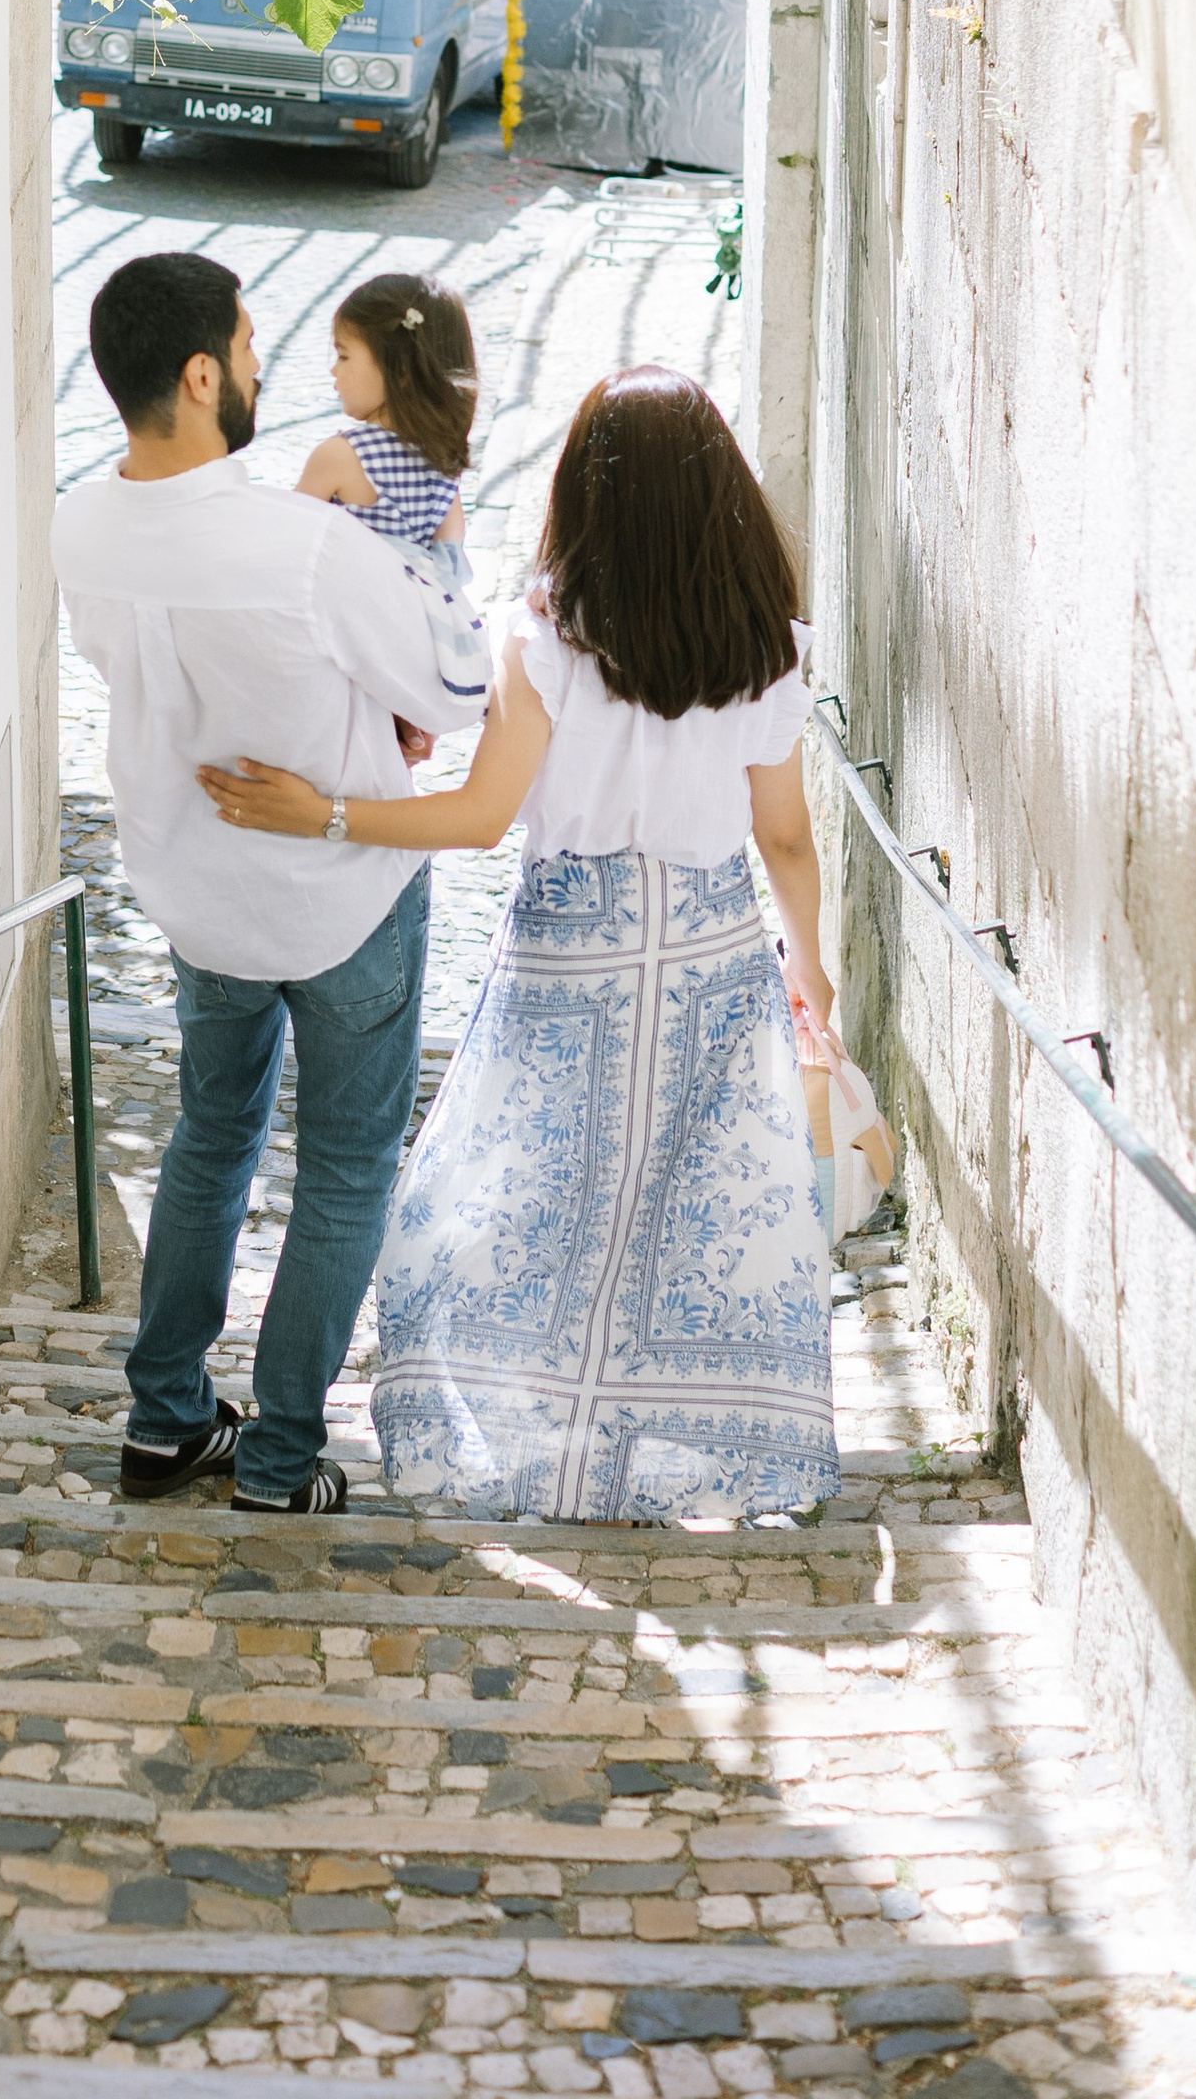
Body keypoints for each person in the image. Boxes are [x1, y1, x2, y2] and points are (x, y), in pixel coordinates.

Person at [201, 364, 839, 1526]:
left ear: (582, 495)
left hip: (570, 958)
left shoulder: (540, 642)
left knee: (529, 1198)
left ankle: (542, 1442)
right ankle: (651, 1454)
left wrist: (328, 815)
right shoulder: (765, 652)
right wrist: (811, 971)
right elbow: (784, 838)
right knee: (683, 1215)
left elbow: (480, 819)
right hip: (708, 955)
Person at [55, 249, 490, 1514]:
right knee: (346, 1167)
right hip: (341, 888)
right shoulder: (302, 547)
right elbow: (457, 692)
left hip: (195, 896)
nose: (262, 366)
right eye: (247, 348)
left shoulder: (76, 524)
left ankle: (162, 1422)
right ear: (200, 376)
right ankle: (284, 1461)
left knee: (209, 1140)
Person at [294, 272, 479, 598]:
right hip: (415, 628)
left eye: (344, 355)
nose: (333, 369)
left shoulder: (341, 456)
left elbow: (286, 539)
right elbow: (451, 555)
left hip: (349, 623)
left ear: (401, 369)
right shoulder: (445, 461)